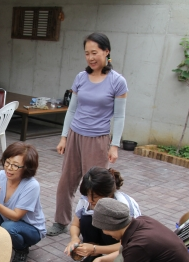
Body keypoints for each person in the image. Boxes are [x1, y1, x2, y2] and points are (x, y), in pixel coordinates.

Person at [48, 32, 128, 236]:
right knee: (66, 182)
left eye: (95, 52)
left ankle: (97, 226)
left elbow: (119, 117)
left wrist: (115, 145)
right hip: (75, 135)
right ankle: (60, 221)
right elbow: (72, 110)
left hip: (98, 139)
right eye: (87, 53)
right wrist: (64, 137)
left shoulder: (117, 82)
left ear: (106, 52)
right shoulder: (81, 77)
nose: (91, 58)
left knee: (97, 187)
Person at [65, 167, 141, 262]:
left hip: (126, 243)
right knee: (85, 220)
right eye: (87, 195)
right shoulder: (86, 200)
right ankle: (94, 256)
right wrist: (74, 239)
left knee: (110, 230)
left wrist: (95, 248)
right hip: (105, 240)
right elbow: (75, 224)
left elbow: (127, 245)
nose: (90, 200)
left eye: (94, 197)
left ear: (108, 194)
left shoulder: (123, 207)